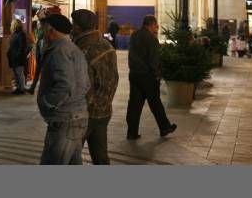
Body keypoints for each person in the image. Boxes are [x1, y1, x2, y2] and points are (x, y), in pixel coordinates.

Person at [36, 13, 89, 165]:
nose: (42, 33)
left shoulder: (59, 51)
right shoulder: (73, 48)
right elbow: (86, 83)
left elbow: (65, 85)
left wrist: (46, 103)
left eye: (44, 29)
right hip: (77, 117)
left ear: (51, 31)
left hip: (64, 120)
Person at [71, 10, 118, 165]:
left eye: (73, 24)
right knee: (101, 157)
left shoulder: (83, 49)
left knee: (71, 156)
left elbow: (85, 86)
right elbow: (114, 78)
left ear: (77, 27)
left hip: (87, 113)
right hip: (104, 110)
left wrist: (80, 108)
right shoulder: (106, 44)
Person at [125, 15, 177, 140]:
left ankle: (131, 132)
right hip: (148, 76)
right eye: (156, 25)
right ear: (151, 24)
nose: (157, 27)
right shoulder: (152, 39)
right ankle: (164, 127)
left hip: (134, 74)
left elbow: (131, 54)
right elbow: (154, 60)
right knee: (156, 103)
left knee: (134, 105)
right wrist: (157, 74)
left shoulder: (134, 35)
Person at [27, 6, 60, 94]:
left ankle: (36, 88)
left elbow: (44, 29)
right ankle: (33, 87)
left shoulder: (49, 24)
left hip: (45, 49)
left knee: (44, 70)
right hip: (42, 48)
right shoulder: (47, 24)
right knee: (39, 70)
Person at [7, 19, 29, 94]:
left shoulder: (21, 34)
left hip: (18, 57)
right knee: (16, 73)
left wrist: (18, 55)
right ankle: (18, 88)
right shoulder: (14, 34)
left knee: (19, 73)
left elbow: (22, 47)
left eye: (12, 24)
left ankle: (21, 88)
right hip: (14, 57)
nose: (11, 25)